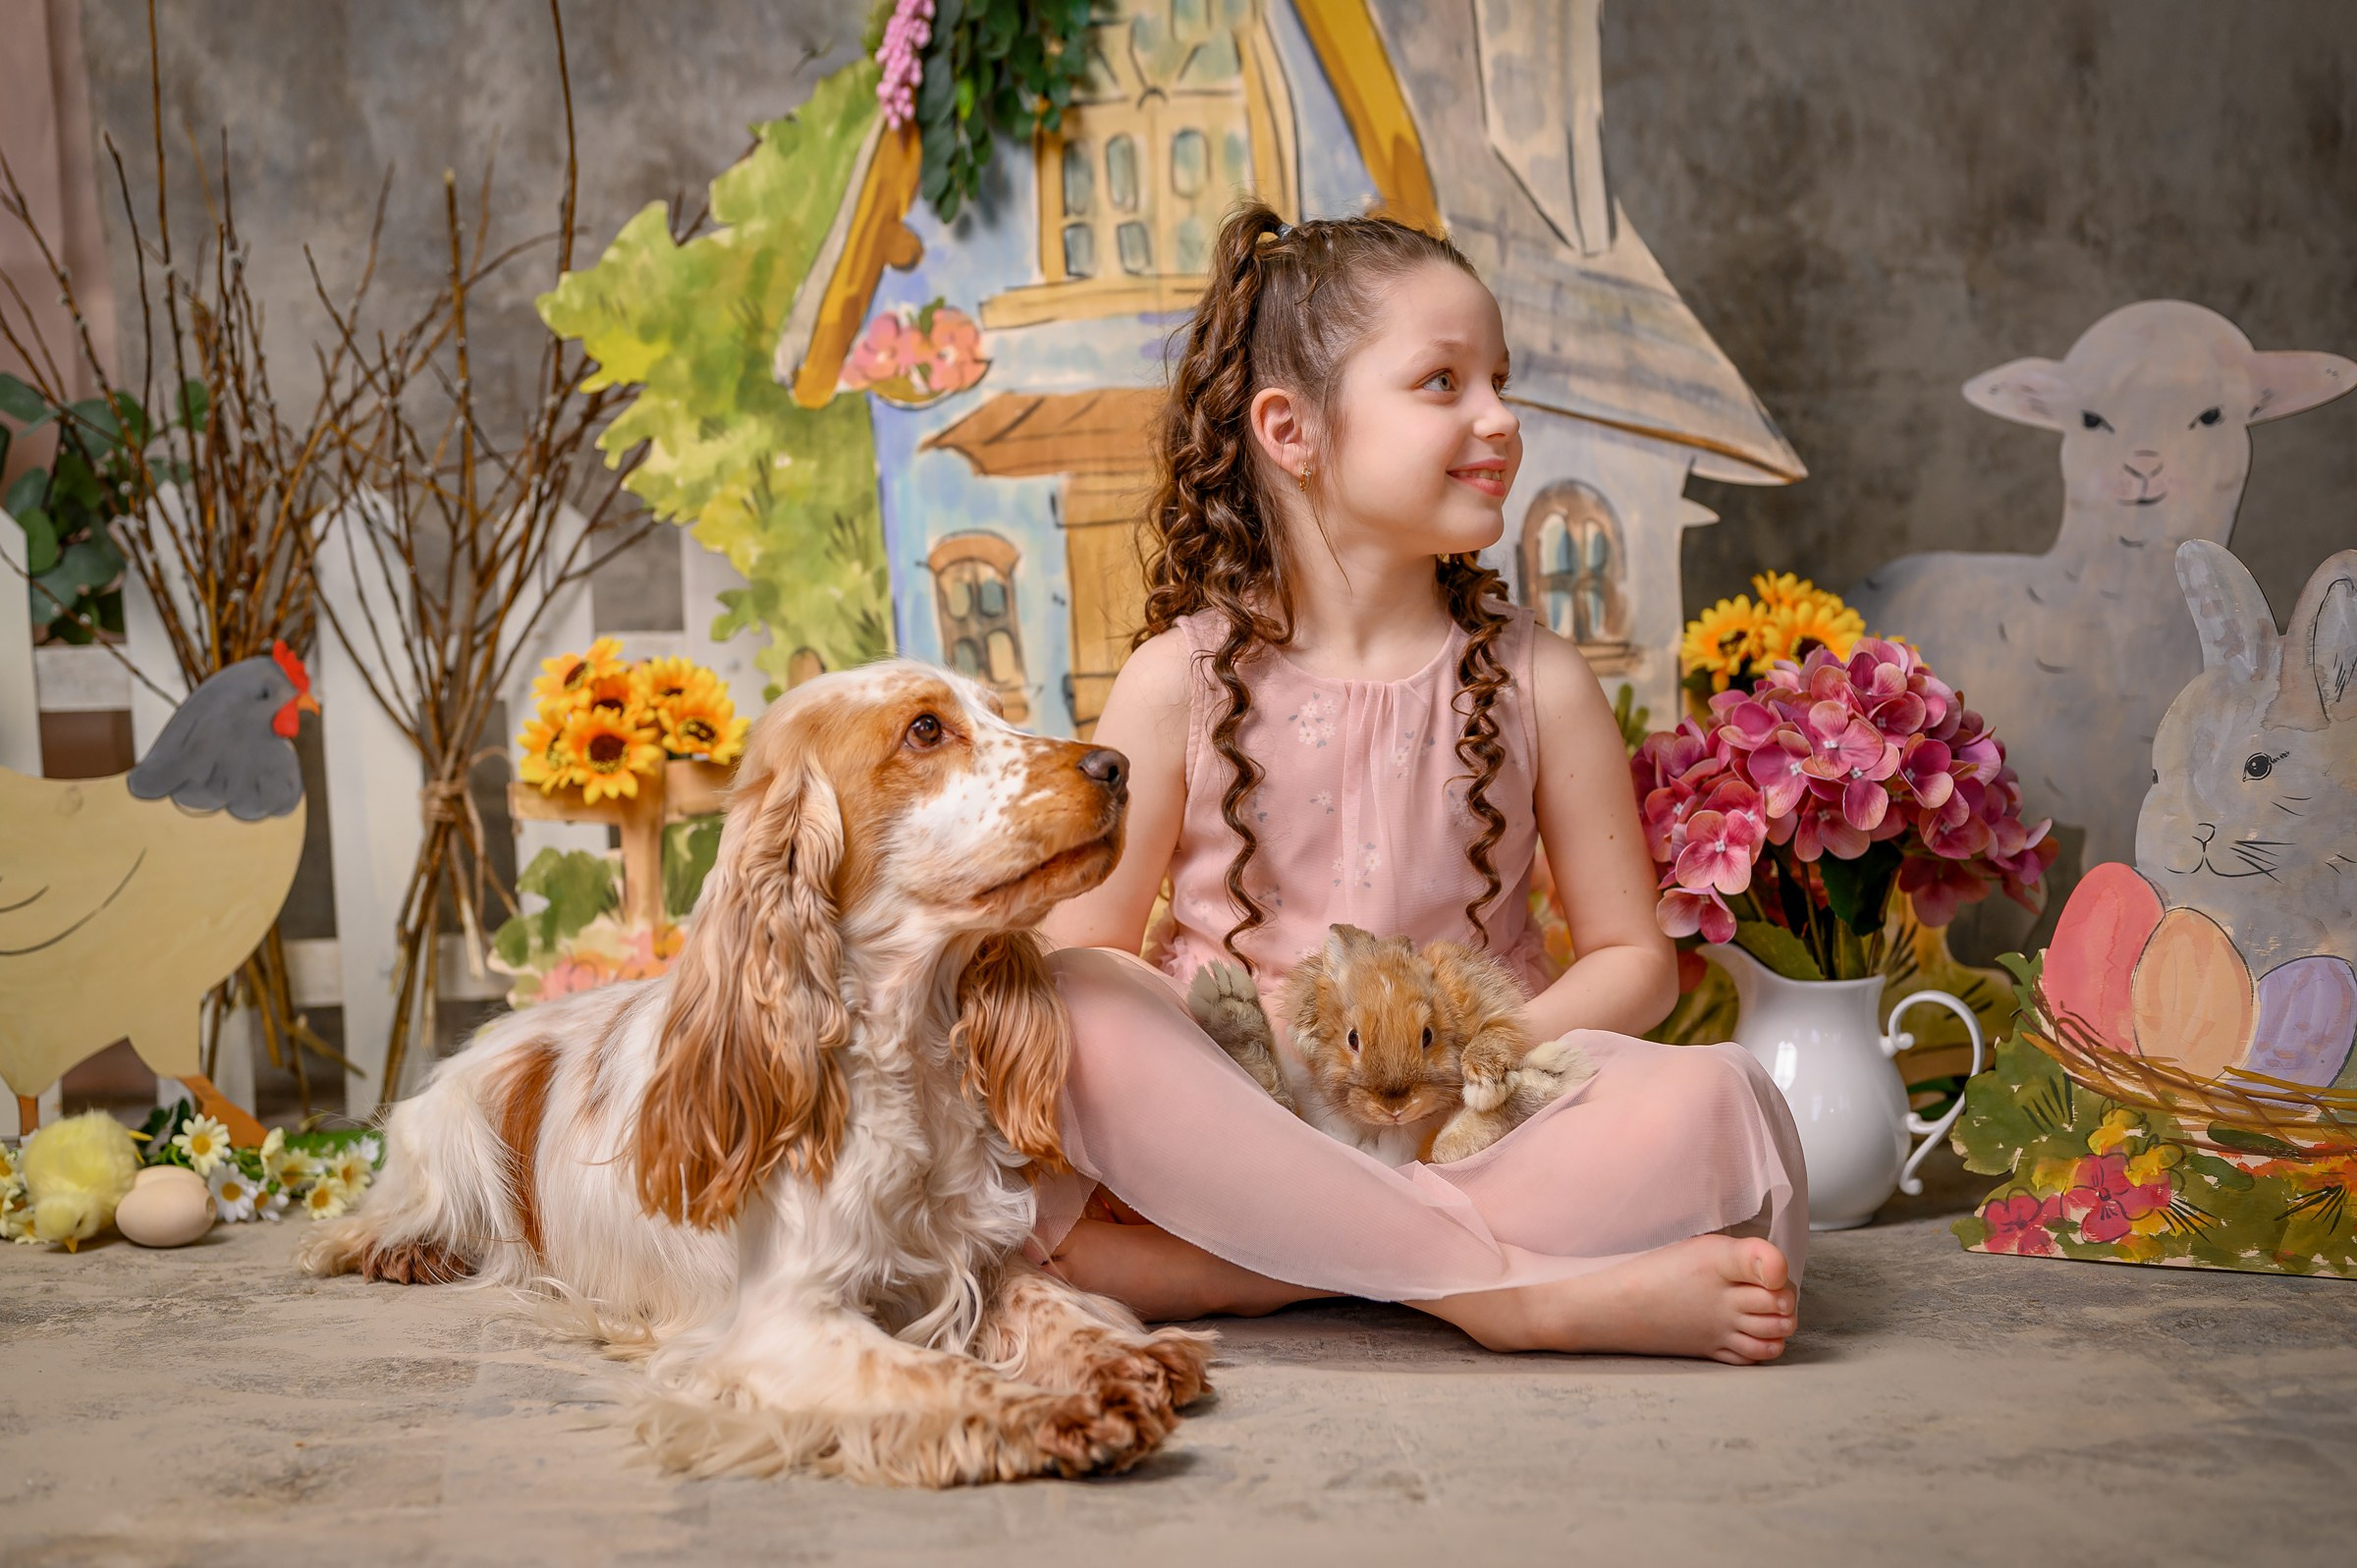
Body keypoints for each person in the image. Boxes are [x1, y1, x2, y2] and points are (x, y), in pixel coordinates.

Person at [1036, 203, 1806, 1365]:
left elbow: (1636, 963)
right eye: (1443, 383)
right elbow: (1078, 963)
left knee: (1717, 1104)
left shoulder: (1538, 680)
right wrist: (1280, 1096)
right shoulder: (1174, 682)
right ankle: (1507, 1298)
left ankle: (1257, 1272)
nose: (1499, 419)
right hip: (1241, 1119)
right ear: (1291, 431)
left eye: (1500, 380)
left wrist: (1470, 1071)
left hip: (1475, 1126)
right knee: (1080, 1017)